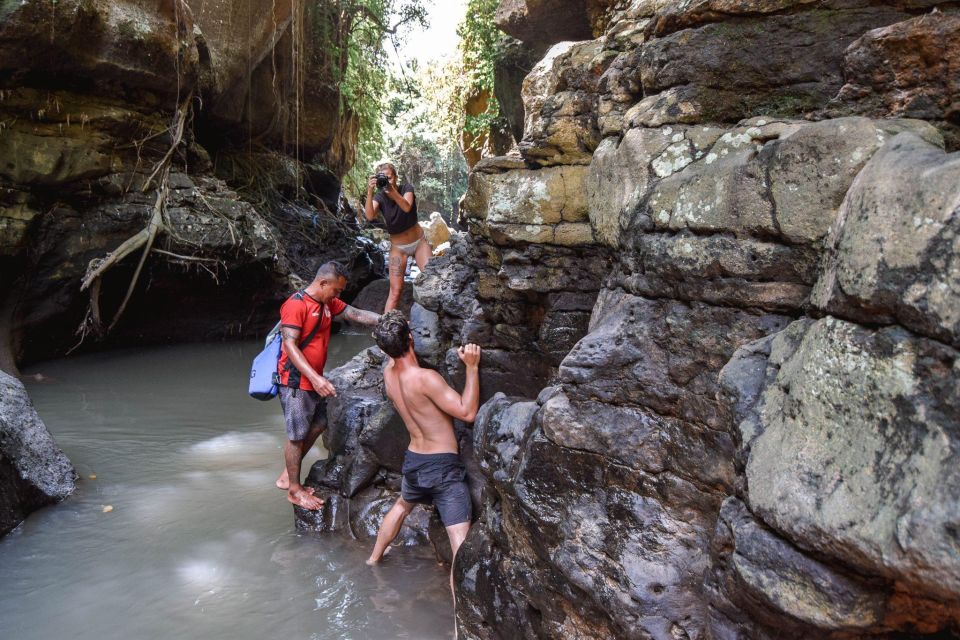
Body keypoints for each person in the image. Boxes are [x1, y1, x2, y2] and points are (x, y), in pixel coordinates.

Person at [366, 310, 481, 598]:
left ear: (384, 349)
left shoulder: (389, 375)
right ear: (411, 338)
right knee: (459, 542)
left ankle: (373, 560)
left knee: (402, 506)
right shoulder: (425, 379)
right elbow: (467, 412)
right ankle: (460, 621)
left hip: (414, 461)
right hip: (442, 467)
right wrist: (471, 367)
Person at [274, 261, 380, 509]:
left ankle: (286, 474)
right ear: (323, 283)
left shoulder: (327, 302)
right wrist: (316, 378)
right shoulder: (295, 305)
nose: (338, 295)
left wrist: (385, 320)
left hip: (312, 378)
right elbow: (289, 346)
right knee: (296, 436)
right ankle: (294, 489)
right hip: (295, 382)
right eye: (337, 290)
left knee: (320, 422)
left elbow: (354, 314)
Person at [363, 162, 431, 312]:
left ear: (396, 177)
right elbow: (369, 215)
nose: (388, 181)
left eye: (390, 177)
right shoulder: (379, 196)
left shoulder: (406, 188)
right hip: (398, 248)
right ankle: (385, 328)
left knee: (431, 279)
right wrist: (370, 191)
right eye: (384, 178)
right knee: (395, 291)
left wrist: (391, 190)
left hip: (419, 243)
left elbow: (406, 206)